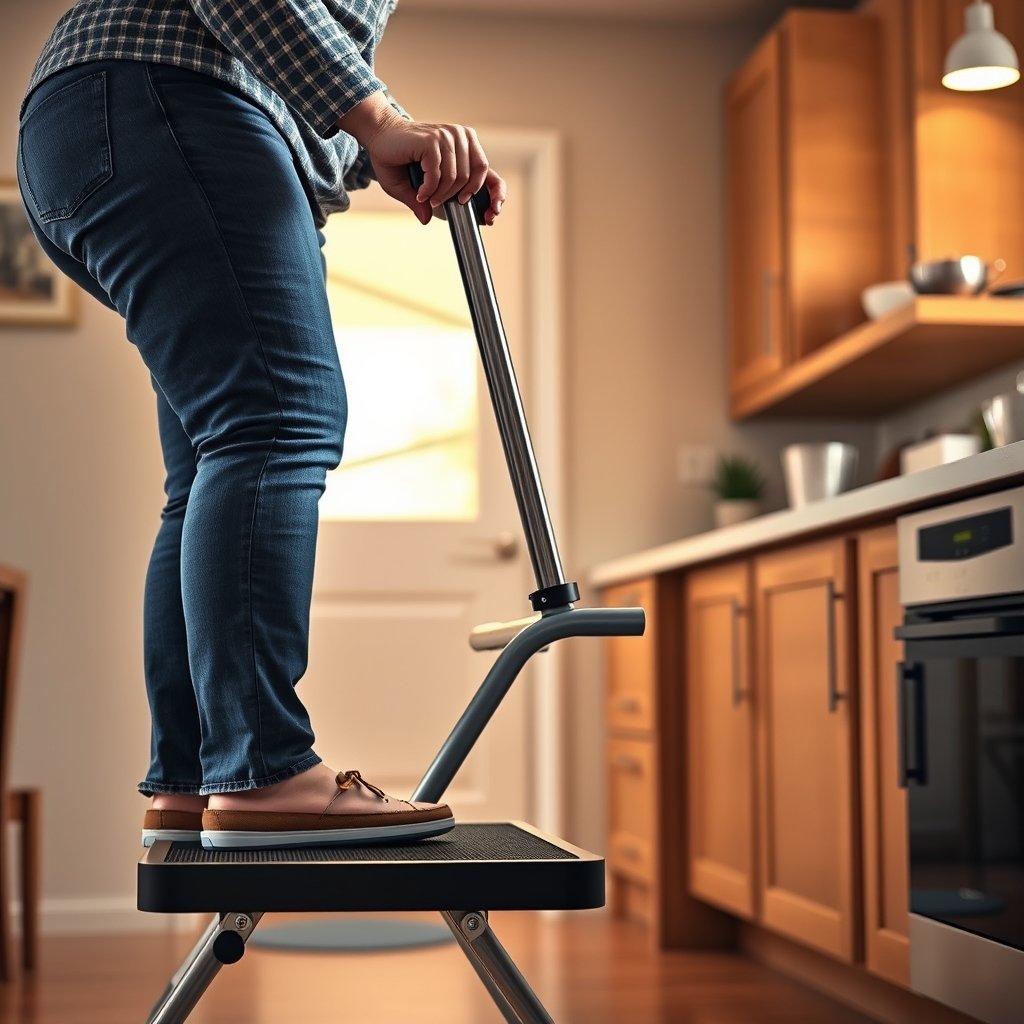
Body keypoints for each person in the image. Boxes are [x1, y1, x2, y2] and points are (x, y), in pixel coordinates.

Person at [15, 0, 507, 851]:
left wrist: (370, 148)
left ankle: (199, 773)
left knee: (218, 454)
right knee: (278, 422)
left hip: (107, 117)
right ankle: (263, 768)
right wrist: (381, 118)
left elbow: (288, 77)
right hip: (165, 96)